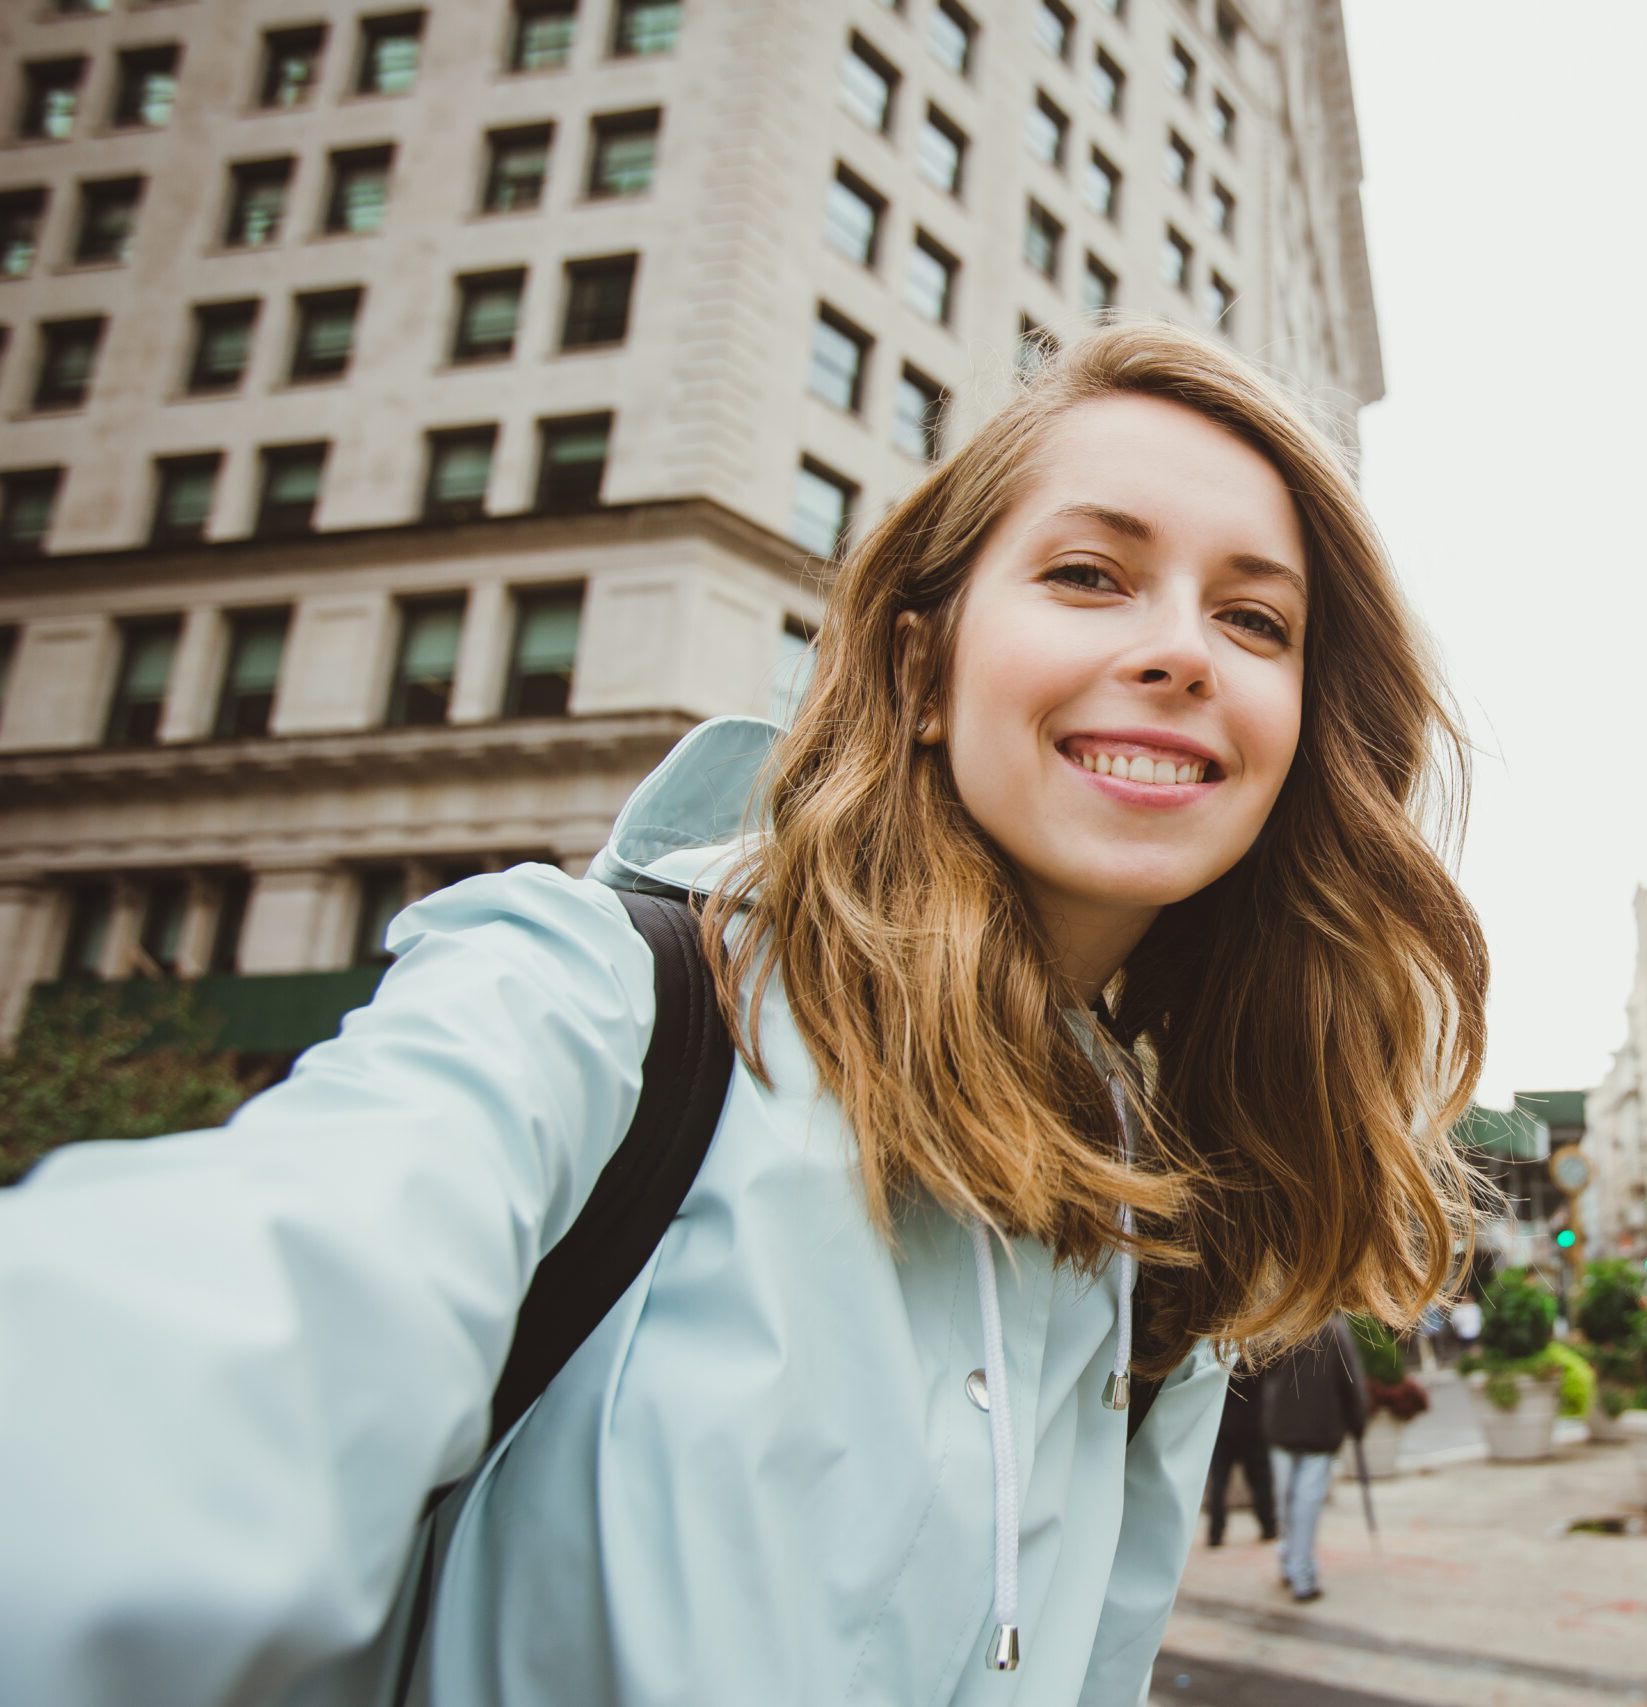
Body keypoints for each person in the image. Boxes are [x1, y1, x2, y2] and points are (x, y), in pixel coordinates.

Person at [0, 324, 1489, 1706]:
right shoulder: (590, 997)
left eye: (1254, 616)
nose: (1185, 650)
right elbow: (183, 1354)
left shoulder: (1161, 1225)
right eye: (1091, 575)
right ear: (922, 667)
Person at [1260, 1313, 1370, 1603]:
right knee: (1303, 1506)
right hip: (1315, 1431)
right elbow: (1353, 1382)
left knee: (1287, 1501)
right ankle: (1301, 1573)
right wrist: (1357, 1421)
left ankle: (1292, 1564)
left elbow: (1258, 1373)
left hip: (1286, 1429)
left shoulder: (1283, 1325)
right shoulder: (1333, 1331)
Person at [1202, 1369, 1277, 1547]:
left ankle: (1215, 1533)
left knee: (1219, 1482)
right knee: (1260, 1481)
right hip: (1253, 1426)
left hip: (1224, 1426)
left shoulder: (1223, 1354)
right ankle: (1268, 1526)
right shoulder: (1258, 1354)